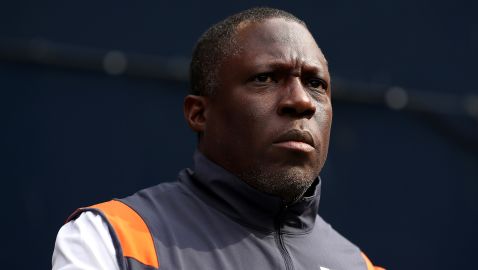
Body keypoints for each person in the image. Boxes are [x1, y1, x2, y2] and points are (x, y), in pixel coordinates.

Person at [52, 7, 384, 270]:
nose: (301, 101)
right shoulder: (112, 240)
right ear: (199, 113)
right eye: (265, 78)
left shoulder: (359, 266)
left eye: (316, 84)